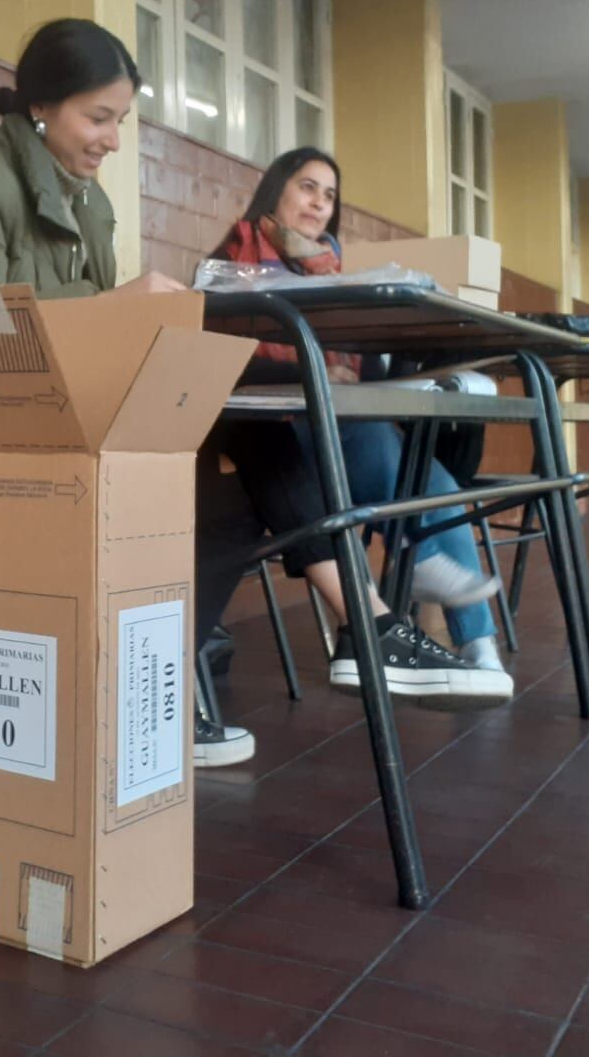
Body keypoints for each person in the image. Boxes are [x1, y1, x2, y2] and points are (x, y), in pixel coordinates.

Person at [0, 17, 255, 768]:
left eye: (119, 121)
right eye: (99, 117)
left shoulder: (91, 205)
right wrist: (117, 306)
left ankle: (156, 674)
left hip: (67, 423)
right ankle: (143, 689)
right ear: (41, 105)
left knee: (240, 472)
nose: (112, 140)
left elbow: (96, 337)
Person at [198, 147, 513, 709]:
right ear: (275, 192)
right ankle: (423, 564)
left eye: (329, 195)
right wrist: (310, 368)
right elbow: (219, 359)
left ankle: (480, 647)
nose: (319, 203)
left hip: (333, 431)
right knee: (376, 440)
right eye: (307, 187)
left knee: (414, 456)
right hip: (267, 439)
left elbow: (363, 367)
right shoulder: (231, 259)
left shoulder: (332, 272)